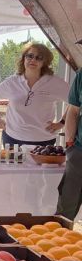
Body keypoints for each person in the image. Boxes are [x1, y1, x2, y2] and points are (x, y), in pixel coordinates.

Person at [0, 42, 69, 147]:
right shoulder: (12, 82)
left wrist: (62, 122)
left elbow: (76, 102)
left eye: (39, 58)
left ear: (45, 62)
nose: (33, 60)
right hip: (12, 139)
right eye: (30, 56)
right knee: (11, 164)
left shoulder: (54, 83)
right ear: (23, 58)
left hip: (43, 141)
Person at [56, 49, 82, 220]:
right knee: (66, 206)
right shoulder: (81, 75)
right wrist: (70, 143)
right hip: (79, 150)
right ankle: (57, 242)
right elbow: (73, 110)